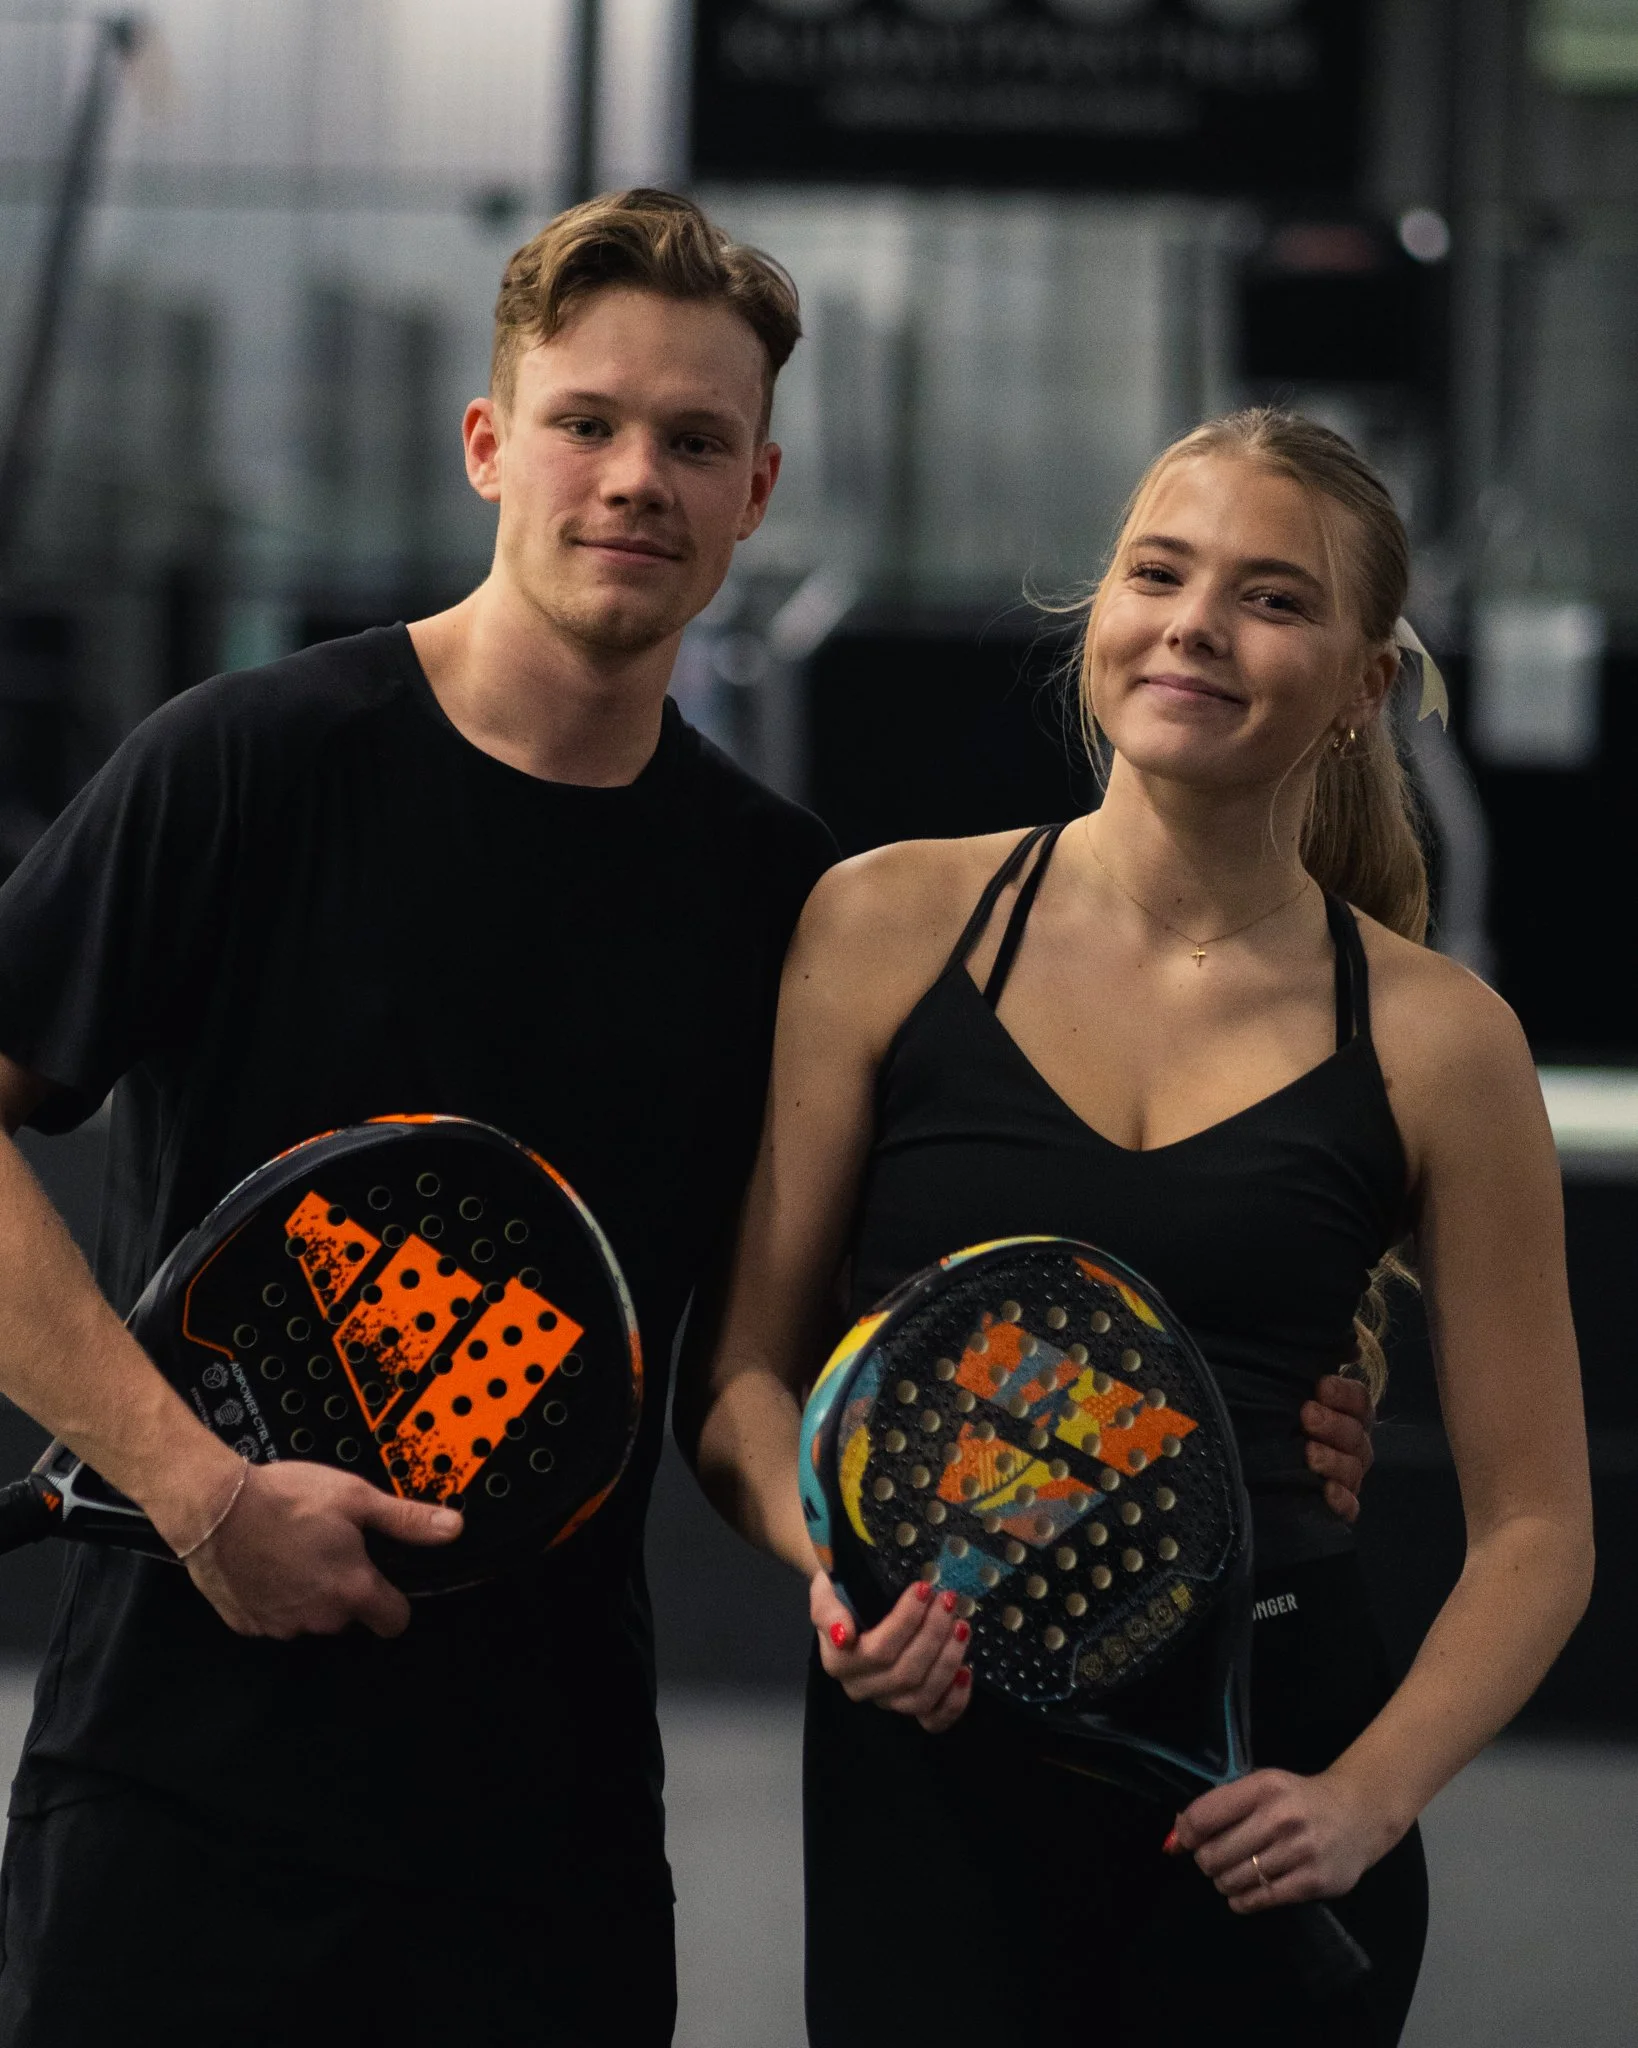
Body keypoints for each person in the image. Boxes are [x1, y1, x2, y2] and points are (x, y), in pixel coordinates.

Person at [0, 189, 835, 2046]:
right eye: (587, 423)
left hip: (546, 1853)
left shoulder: (786, 903)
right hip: (177, 1813)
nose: (637, 478)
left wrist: (1287, 1398)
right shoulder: (245, 762)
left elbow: (751, 1372)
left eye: (696, 441)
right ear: (486, 446)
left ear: (757, 492)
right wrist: (201, 1495)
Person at [686, 409, 1593, 2045]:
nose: (1193, 623)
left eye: (1271, 596)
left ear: (1361, 687)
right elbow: (746, 1378)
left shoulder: (1446, 1041)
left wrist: (1365, 1798)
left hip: (1272, 1767)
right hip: (933, 1766)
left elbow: (1537, 1532)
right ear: (1094, 613)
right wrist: (844, 1578)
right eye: (1156, 573)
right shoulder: (881, 922)